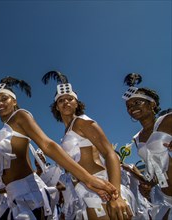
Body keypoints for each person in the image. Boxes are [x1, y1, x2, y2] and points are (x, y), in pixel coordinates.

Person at [0, 76, 117, 220]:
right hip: (14, 196)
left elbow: (47, 144)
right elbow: (6, 174)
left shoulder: (20, 116)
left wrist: (88, 179)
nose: (0, 103)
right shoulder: (3, 132)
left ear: (14, 101)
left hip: (28, 197)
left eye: (4, 98)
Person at [43, 71, 135, 220]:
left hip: (102, 190)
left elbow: (109, 153)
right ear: (57, 107)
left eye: (69, 99)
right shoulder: (66, 134)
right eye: (61, 101)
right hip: (81, 193)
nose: (66, 102)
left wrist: (115, 196)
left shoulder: (82, 122)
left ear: (76, 103)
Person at [122, 73, 172, 219]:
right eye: (129, 106)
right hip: (161, 197)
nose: (132, 108)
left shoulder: (167, 120)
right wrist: (134, 174)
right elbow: (154, 172)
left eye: (137, 103)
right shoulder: (136, 138)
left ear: (152, 104)